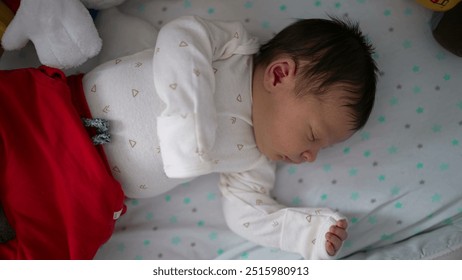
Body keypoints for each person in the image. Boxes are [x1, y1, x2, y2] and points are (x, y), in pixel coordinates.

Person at [0, 15, 377, 259]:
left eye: (319, 150)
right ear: (279, 74)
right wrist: (189, 120)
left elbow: (245, 213)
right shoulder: (233, 48)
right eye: (313, 135)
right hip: (55, 113)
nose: (310, 156)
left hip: (86, 191)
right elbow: (179, 37)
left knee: (52, 255)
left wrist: (303, 232)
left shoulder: (254, 159)